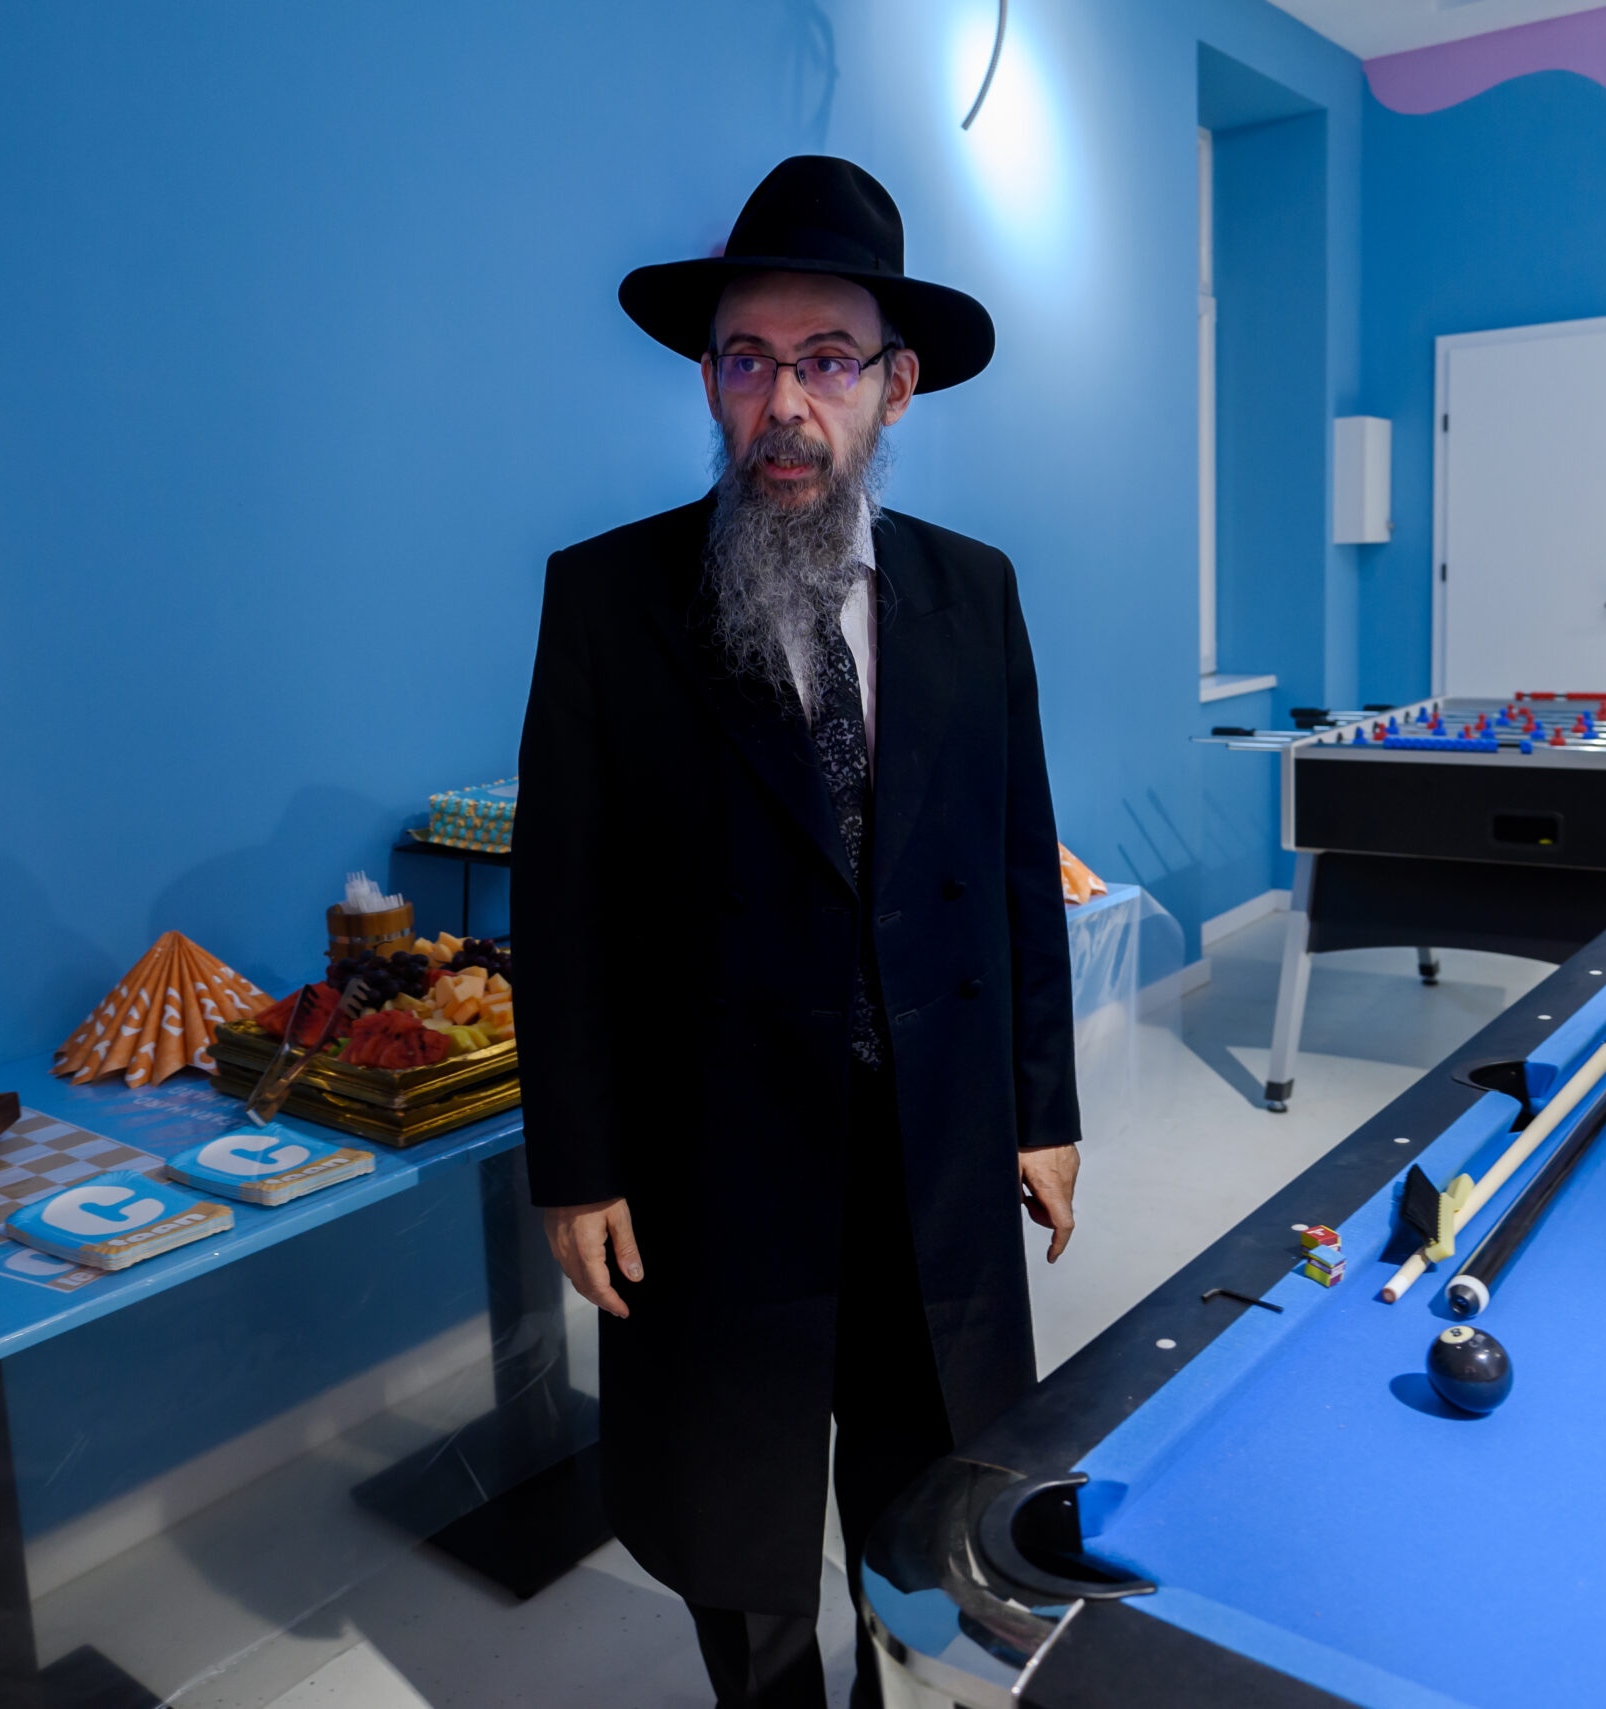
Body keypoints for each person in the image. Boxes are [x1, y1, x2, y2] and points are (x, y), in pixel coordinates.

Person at [510, 156, 1082, 1709]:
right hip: (717, 1152)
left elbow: (1016, 862)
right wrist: (578, 1163)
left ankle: (910, 1682)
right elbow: (562, 906)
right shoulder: (609, 599)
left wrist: (1043, 1106)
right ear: (708, 379)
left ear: (896, 385)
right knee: (739, 1506)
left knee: (930, 1477)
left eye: (827, 361)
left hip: (931, 1138)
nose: (784, 404)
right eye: (748, 360)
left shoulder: (976, 595)